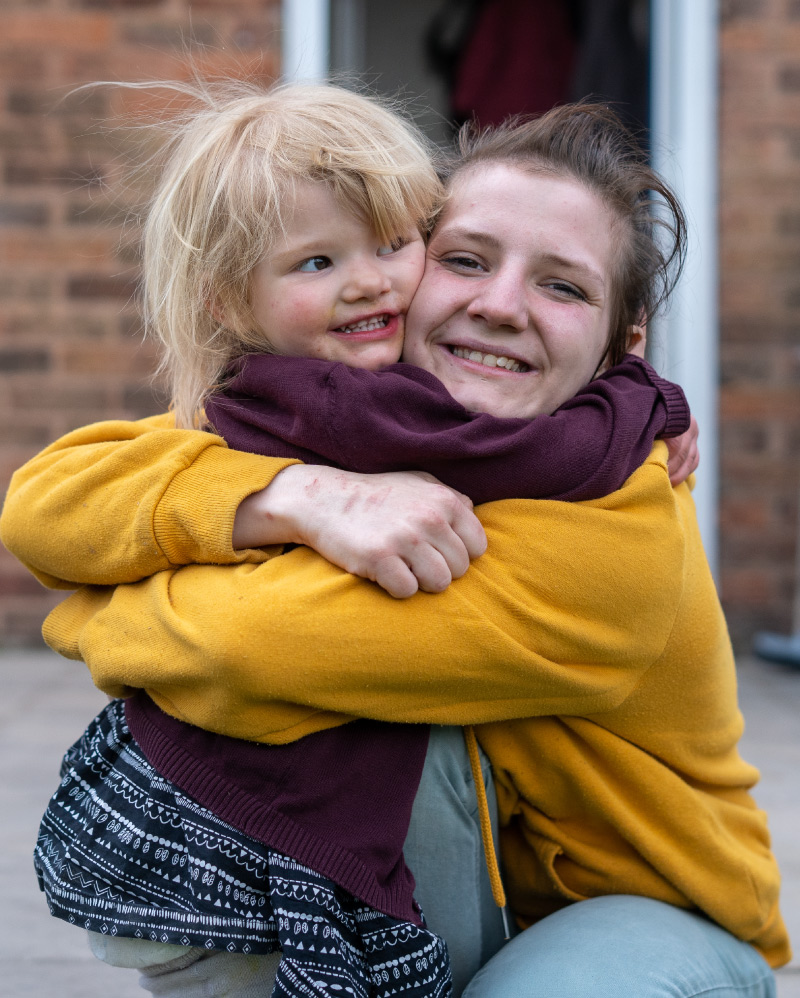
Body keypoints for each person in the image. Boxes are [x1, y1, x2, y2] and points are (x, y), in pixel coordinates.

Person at [2, 99, 786, 998]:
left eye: (563, 287)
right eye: (464, 260)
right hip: (470, 891)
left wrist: (101, 608)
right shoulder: (355, 426)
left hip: (652, 913)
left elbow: (247, 646)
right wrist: (292, 494)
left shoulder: (616, 511)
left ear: (625, 346)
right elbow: (50, 502)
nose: (498, 305)